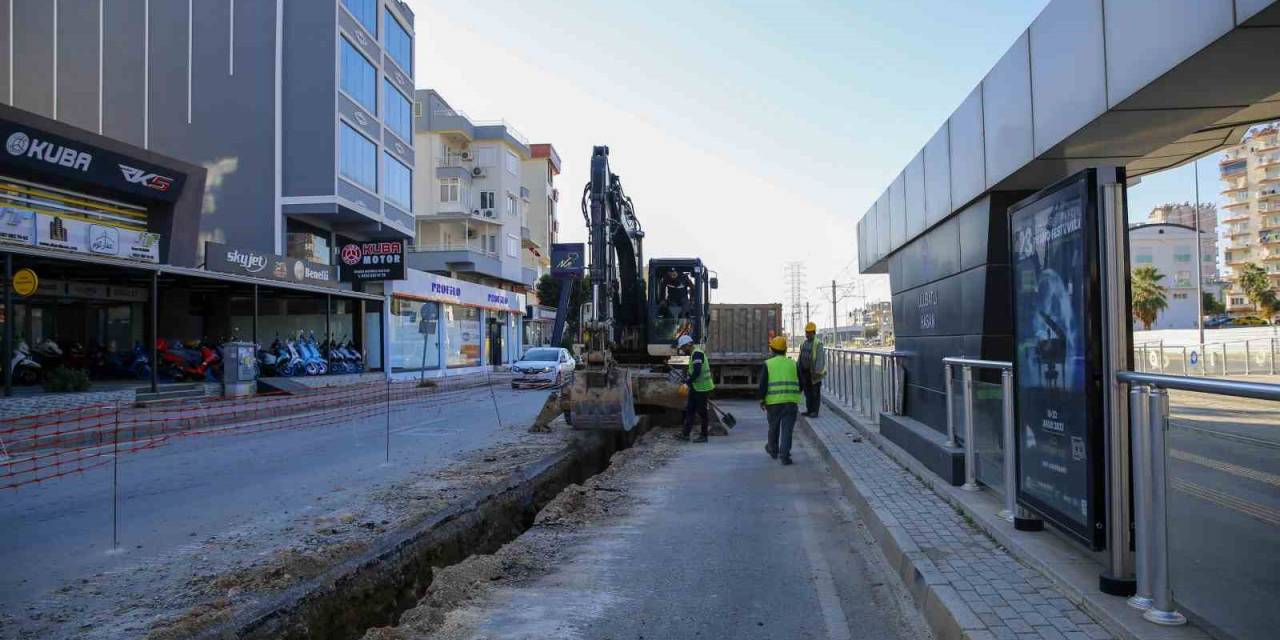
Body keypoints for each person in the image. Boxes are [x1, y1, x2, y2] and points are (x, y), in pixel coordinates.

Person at [759, 335, 801, 465]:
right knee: (787, 430)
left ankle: (773, 449)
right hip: (791, 402)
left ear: (772, 350)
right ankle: (785, 456)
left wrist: (762, 399)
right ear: (785, 349)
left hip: (773, 402)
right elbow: (801, 382)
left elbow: (763, 385)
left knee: (773, 427)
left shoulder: (768, 364)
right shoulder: (793, 364)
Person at [676, 334, 714, 442]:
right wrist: (688, 380)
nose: (683, 350)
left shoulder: (697, 354)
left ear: (688, 345)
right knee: (690, 411)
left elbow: (697, 372)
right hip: (695, 387)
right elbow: (694, 371)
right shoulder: (694, 353)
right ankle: (685, 434)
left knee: (702, 413)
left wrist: (687, 382)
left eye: (683, 347)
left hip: (702, 388)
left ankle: (704, 436)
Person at [797, 322, 826, 417]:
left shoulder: (818, 344)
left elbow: (820, 359)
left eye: (809, 332)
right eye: (806, 332)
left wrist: (816, 373)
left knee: (815, 394)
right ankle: (809, 410)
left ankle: (814, 412)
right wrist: (798, 368)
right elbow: (800, 357)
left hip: (814, 374)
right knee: (807, 393)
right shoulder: (804, 344)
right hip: (805, 373)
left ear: (814, 332)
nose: (807, 334)